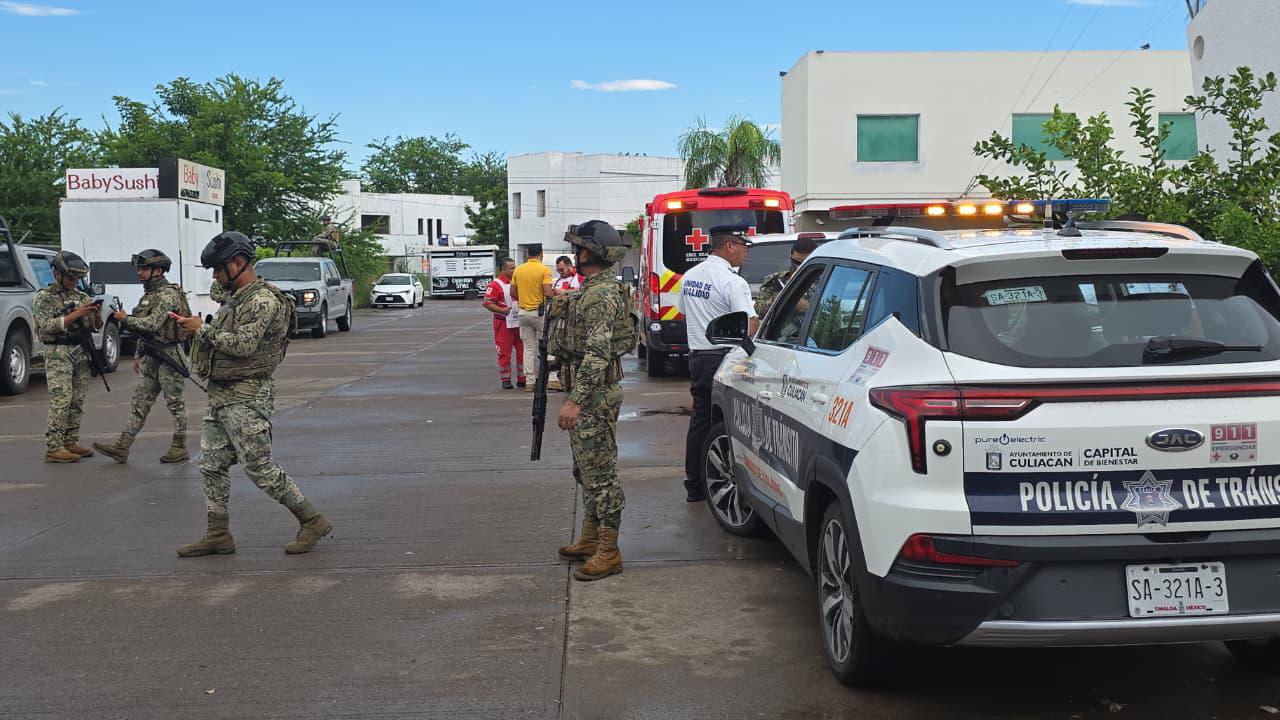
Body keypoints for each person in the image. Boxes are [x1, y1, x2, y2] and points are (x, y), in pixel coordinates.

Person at [174, 231, 333, 557]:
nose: (215, 277)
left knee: (259, 466)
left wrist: (199, 329)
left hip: (247, 395)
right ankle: (218, 533)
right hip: (221, 393)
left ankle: (312, 520)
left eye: (219, 268)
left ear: (238, 263)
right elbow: (220, 293)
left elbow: (244, 345)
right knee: (211, 464)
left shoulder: (263, 301)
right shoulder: (238, 295)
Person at [553, 220, 632, 581]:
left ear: (585, 254)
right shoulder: (591, 290)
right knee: (585, 470)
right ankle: (589, 539)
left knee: (601, 475)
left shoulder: (599, 295)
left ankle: (608, 550)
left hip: (594, 396)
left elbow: (598, 353)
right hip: (590, 393)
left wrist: (576, 401)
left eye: (576, 248)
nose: (573, 253)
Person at [676, 225, 758, 502]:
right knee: (731, 424)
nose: (747, 252)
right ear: (730, 246)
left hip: (699, 357)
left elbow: (683, 311)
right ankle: (729, 483)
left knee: (700, 421)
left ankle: (696, 486)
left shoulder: (690, 276)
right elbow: (750, 325)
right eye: (743, 246)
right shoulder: (733, 282)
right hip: (726, 359)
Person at [94, 250, 192, 464]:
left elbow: (151, 324)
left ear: (158, 271)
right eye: (139, 268)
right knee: (140, 402)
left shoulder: (167, 295)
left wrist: (124, 318)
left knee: (175, 403)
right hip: (151, 355)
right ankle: (122, 446)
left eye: (144, 268)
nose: (140, 272)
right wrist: (138, 354)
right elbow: (144, 332)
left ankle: (179, 446)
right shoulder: (148, 296)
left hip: (169, 356)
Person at [32, 251, 103, 463]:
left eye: (77, 279)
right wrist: (75, 315)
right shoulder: (45, 297)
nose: (74, 282)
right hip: (58, 353)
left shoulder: (82, 297)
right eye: (71, 277)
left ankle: (70, 440)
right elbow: (45, 326)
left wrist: (95, 314)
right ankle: (54, 447)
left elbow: (94, 326)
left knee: (77, 399)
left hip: (80, 352)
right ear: (57, 274)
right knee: (61, 400)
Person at [511, 244, 553, 392]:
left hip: (523, 313)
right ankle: (552, 379)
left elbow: (513, 292)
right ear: (541, 254)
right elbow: (548, 292)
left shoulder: (519, 269)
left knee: (528, 348)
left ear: (528, 253)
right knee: (549, 345)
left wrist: (524, 298)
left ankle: (530, 381)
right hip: (539, 313)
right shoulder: (544, 269)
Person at [482, 257, 525, 389]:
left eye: (515, 267)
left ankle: (522, 378)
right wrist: (502, 310)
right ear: (503, 269)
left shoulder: (518, 281)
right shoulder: (495, 285)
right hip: (503, 323)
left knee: (522, 351)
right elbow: (487, 303)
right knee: (504, 352)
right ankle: (506, 379)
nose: (514, 270)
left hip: (519, 322)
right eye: (511, 268)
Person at [755, 235, 820, 317]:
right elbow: (758, 309)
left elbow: (835, 312)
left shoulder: (827, 281)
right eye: (796, 261)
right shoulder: (776, 280)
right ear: (790, 255)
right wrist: (776, 301)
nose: (799, 266)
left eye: (805, 263)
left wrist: (809, 307)